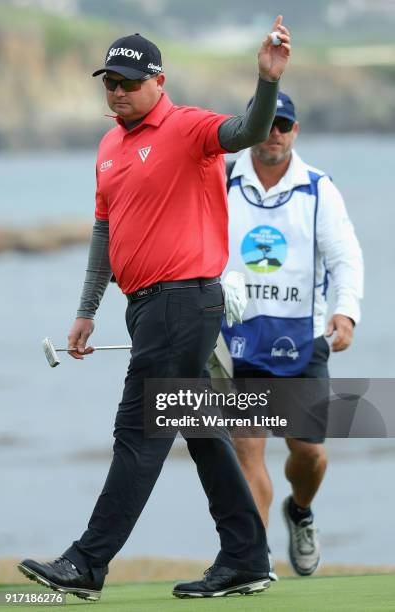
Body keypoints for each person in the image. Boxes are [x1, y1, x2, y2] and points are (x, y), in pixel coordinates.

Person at [18, 19, 291, 601]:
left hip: (183, 302)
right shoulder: (108, 146)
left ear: (158, 81)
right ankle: (246, 556)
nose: (117, 90)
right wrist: (86, 309)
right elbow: (104, 230)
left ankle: (88, 563)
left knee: (138, 432)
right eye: (108, 81)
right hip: (144, 309)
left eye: (128, 81)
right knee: (198, 429)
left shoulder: (189, 127)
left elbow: (249, 130)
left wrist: (265, 82)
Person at [221, 92, 364, 577]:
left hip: (302, 341)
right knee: (247, 445)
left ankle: (300, 511)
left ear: (295, 131)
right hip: (237, 341)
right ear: (253, 126)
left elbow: (345, 258)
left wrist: (345, 313)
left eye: (285, 125)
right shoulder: (221, 179)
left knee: (309, 453)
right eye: (269, 124)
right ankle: (254, 560)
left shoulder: (319, 188)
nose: (276, 133)